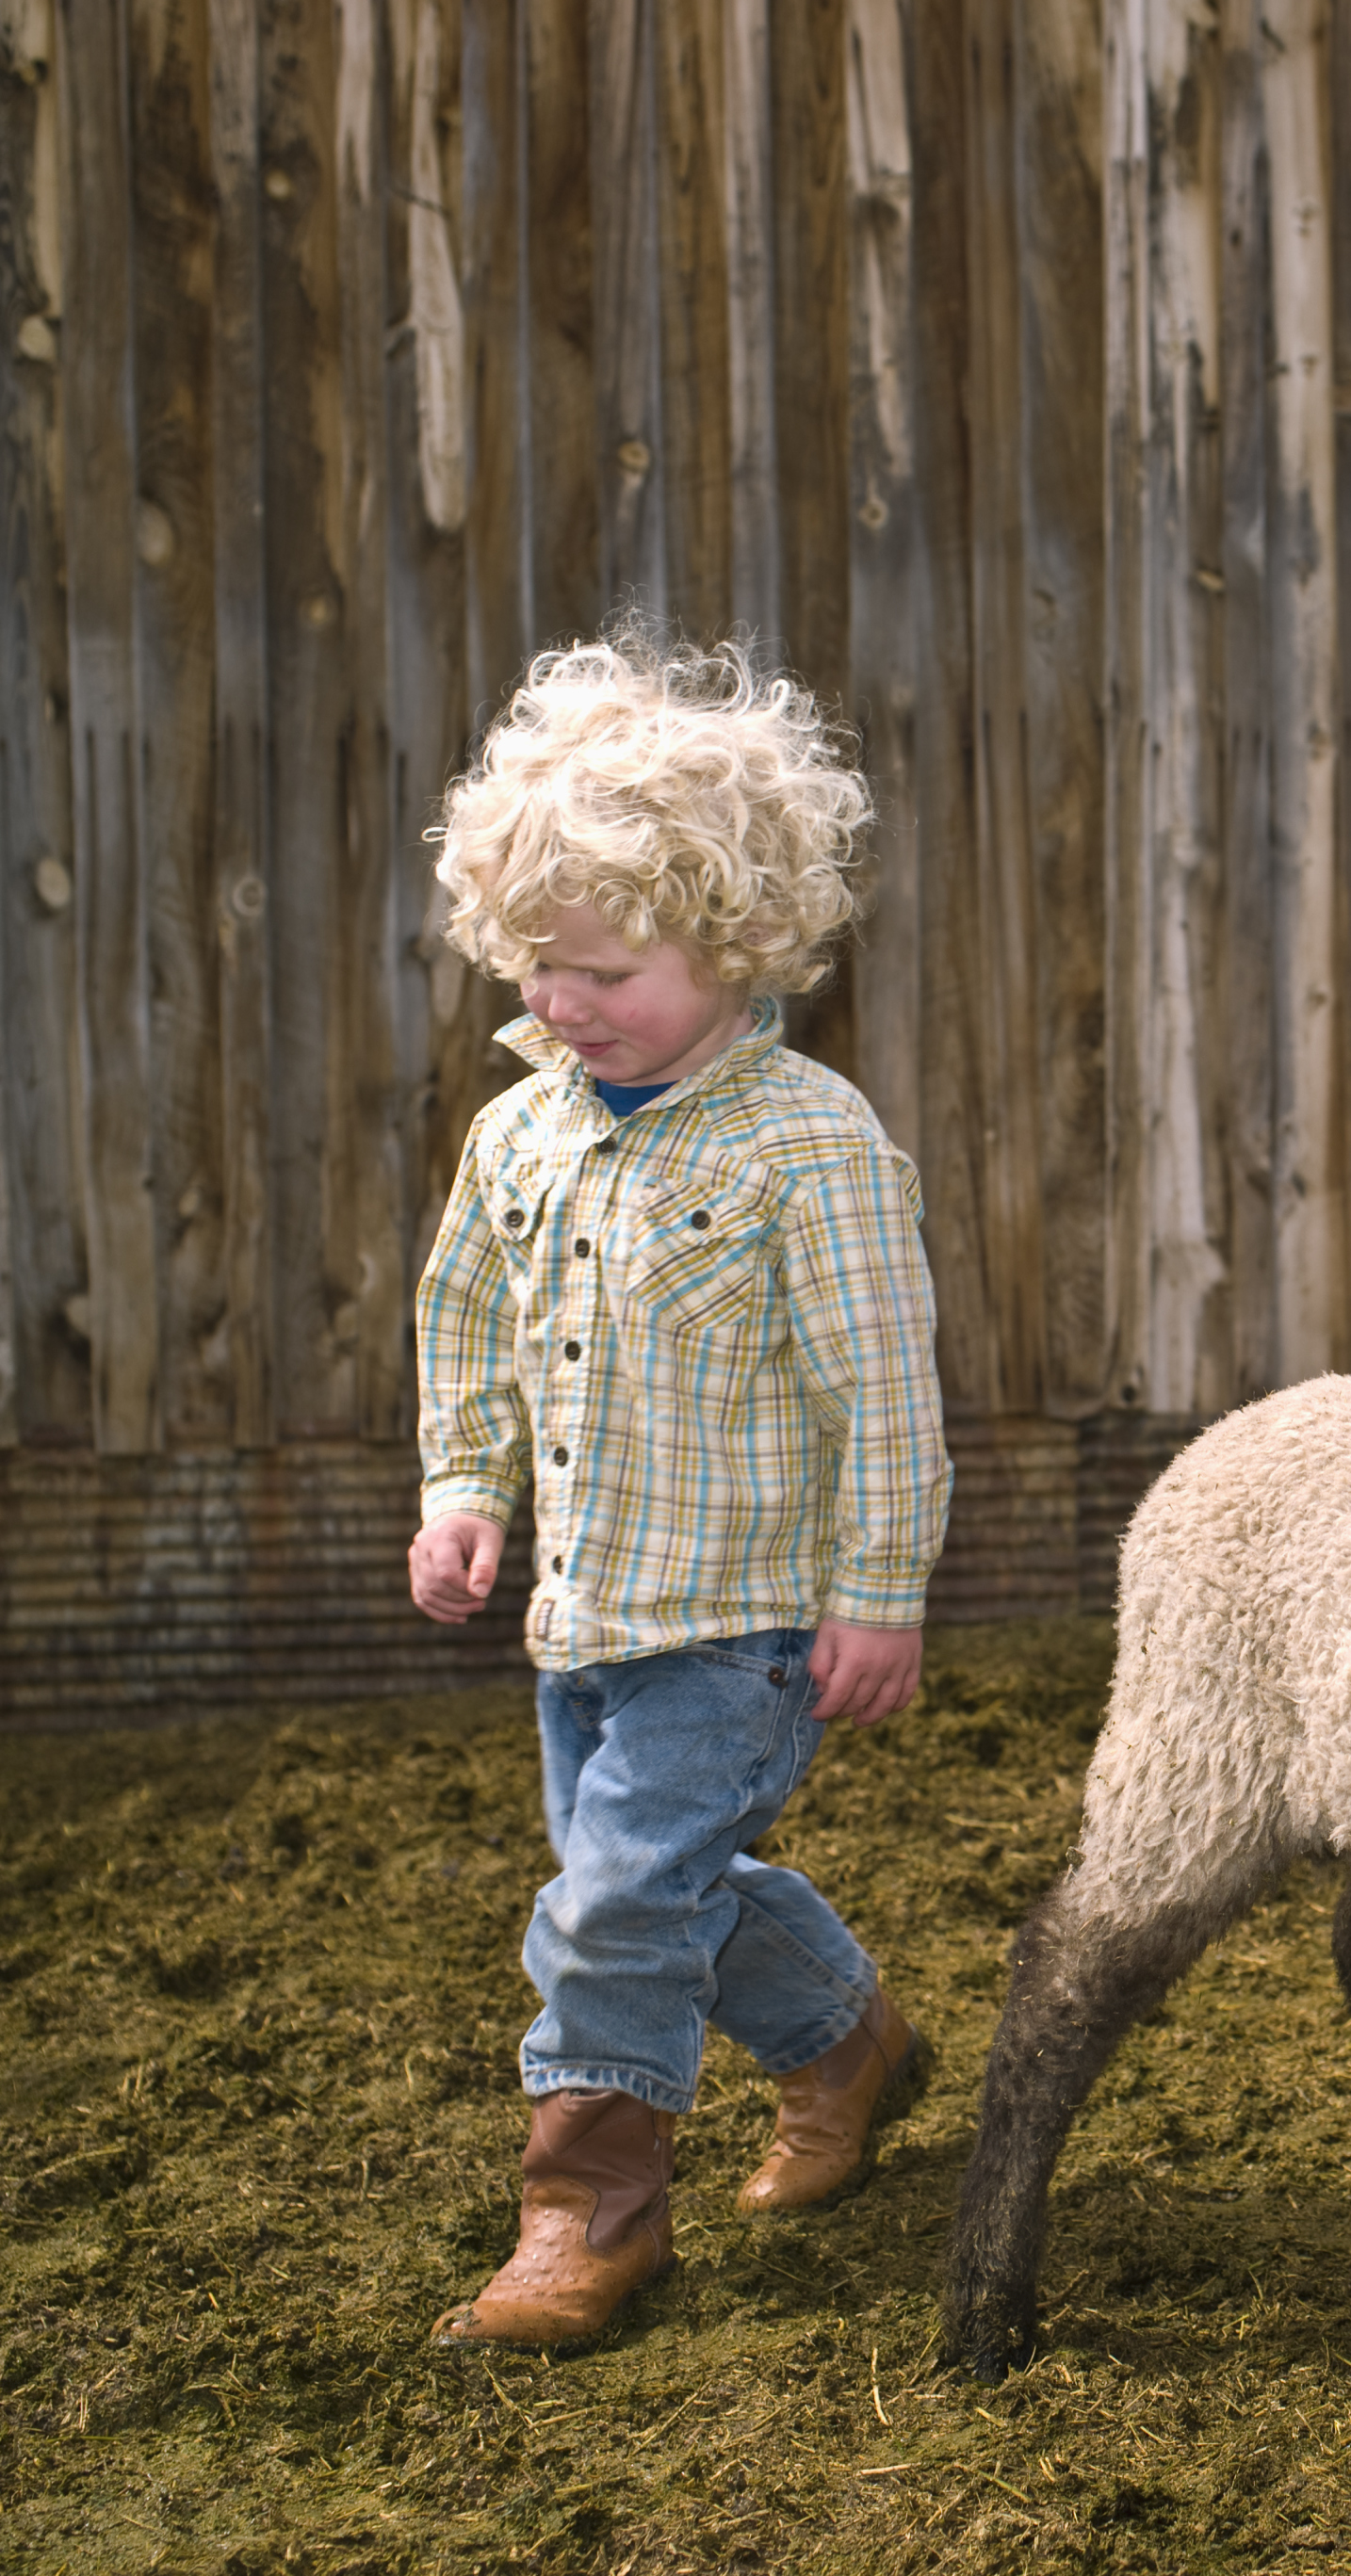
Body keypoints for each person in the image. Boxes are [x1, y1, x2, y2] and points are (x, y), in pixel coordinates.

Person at [408, 634, 950, 2349]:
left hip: (743, 1626)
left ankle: (588, 2212)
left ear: (734, 943)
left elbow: (883, 1388)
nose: (564, 1004)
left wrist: (879, 1592)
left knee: (618, 1902)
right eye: (539, 966)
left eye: (609, 971)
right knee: (663, 1889)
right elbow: (471, 1319)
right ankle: (852, 2044)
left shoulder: (810, 1143)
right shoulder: (525, 1135)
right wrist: (465, 1486)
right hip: (589, 1615)